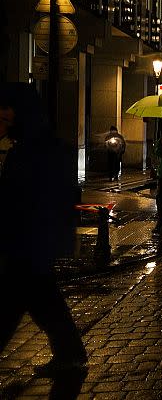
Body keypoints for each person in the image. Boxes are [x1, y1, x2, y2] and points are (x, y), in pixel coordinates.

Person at [0, 83, 87, 376]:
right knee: (41, 299)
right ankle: (71, 354)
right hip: (32, 239)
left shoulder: (32, 151)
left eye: (7, 109)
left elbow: (28, 198)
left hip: (28, 239)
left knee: (15, 302)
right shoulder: (35, 147)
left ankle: (71, 354)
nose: (4, 115)